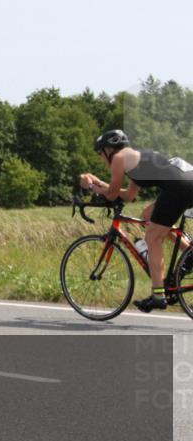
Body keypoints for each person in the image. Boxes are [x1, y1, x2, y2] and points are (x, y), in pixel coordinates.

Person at [80, 130, 193, 312]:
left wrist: (91, 185)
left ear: (109, 149)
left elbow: (112, 195)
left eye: (101, 153)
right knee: (147, 215)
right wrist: (100, 183)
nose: (101, 158)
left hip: (177, 185)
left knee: (153, 238)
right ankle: (188, 251)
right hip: (186, 179)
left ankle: (158, 295)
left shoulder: (118, 159)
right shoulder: (135, 157)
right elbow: (128, 195)